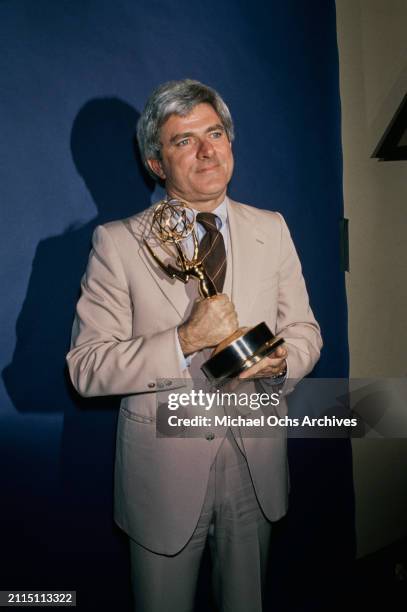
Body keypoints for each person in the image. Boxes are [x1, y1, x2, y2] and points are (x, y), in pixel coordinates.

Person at [66, 79, 322, 611]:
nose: (207, 150)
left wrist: (280, 363)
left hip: (258, 466)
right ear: (156, 164)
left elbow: (305, 332)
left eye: (215, 133)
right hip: (163, 476)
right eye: (184, 141)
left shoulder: (271, 229)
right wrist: (184, 340)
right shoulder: (117, 243)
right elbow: (86, 368)